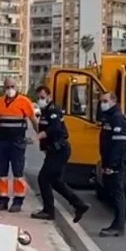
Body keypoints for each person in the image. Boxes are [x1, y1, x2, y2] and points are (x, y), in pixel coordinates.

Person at [30, 86, 89, 222]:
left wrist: (38, 136)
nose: (40, 100)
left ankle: (49, 211)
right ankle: (79, 204)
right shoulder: (45, 111)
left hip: (60, 150)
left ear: (49, 96)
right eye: (38, 98)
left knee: (43, 178)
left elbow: (54, 129)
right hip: (53, 151)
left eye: (43, 97)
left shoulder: (53, 110)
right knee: (55, 181)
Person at [0, 77, 39, 212]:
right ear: (3, 88)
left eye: (12, 86)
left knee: (18, 173)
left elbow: (33, 120)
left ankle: (18, 201)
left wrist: (39, 135)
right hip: (2, 141)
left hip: (17, 142)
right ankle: (2, 200)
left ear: (16, 87)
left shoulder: (24, 101)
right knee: (2, 173)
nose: (9, 89)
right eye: (7, 87)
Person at [98, 91, 126, 237]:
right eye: (101, 101)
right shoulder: (108, 118)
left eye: (105, 101)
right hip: (108, 161)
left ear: (113, 101)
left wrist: (112, 165)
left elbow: (119, 144)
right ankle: (116, 224)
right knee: (112, 192)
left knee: (117, 193)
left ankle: (118, 226)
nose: (102, 104)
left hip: (115, 163)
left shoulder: (117, 119)